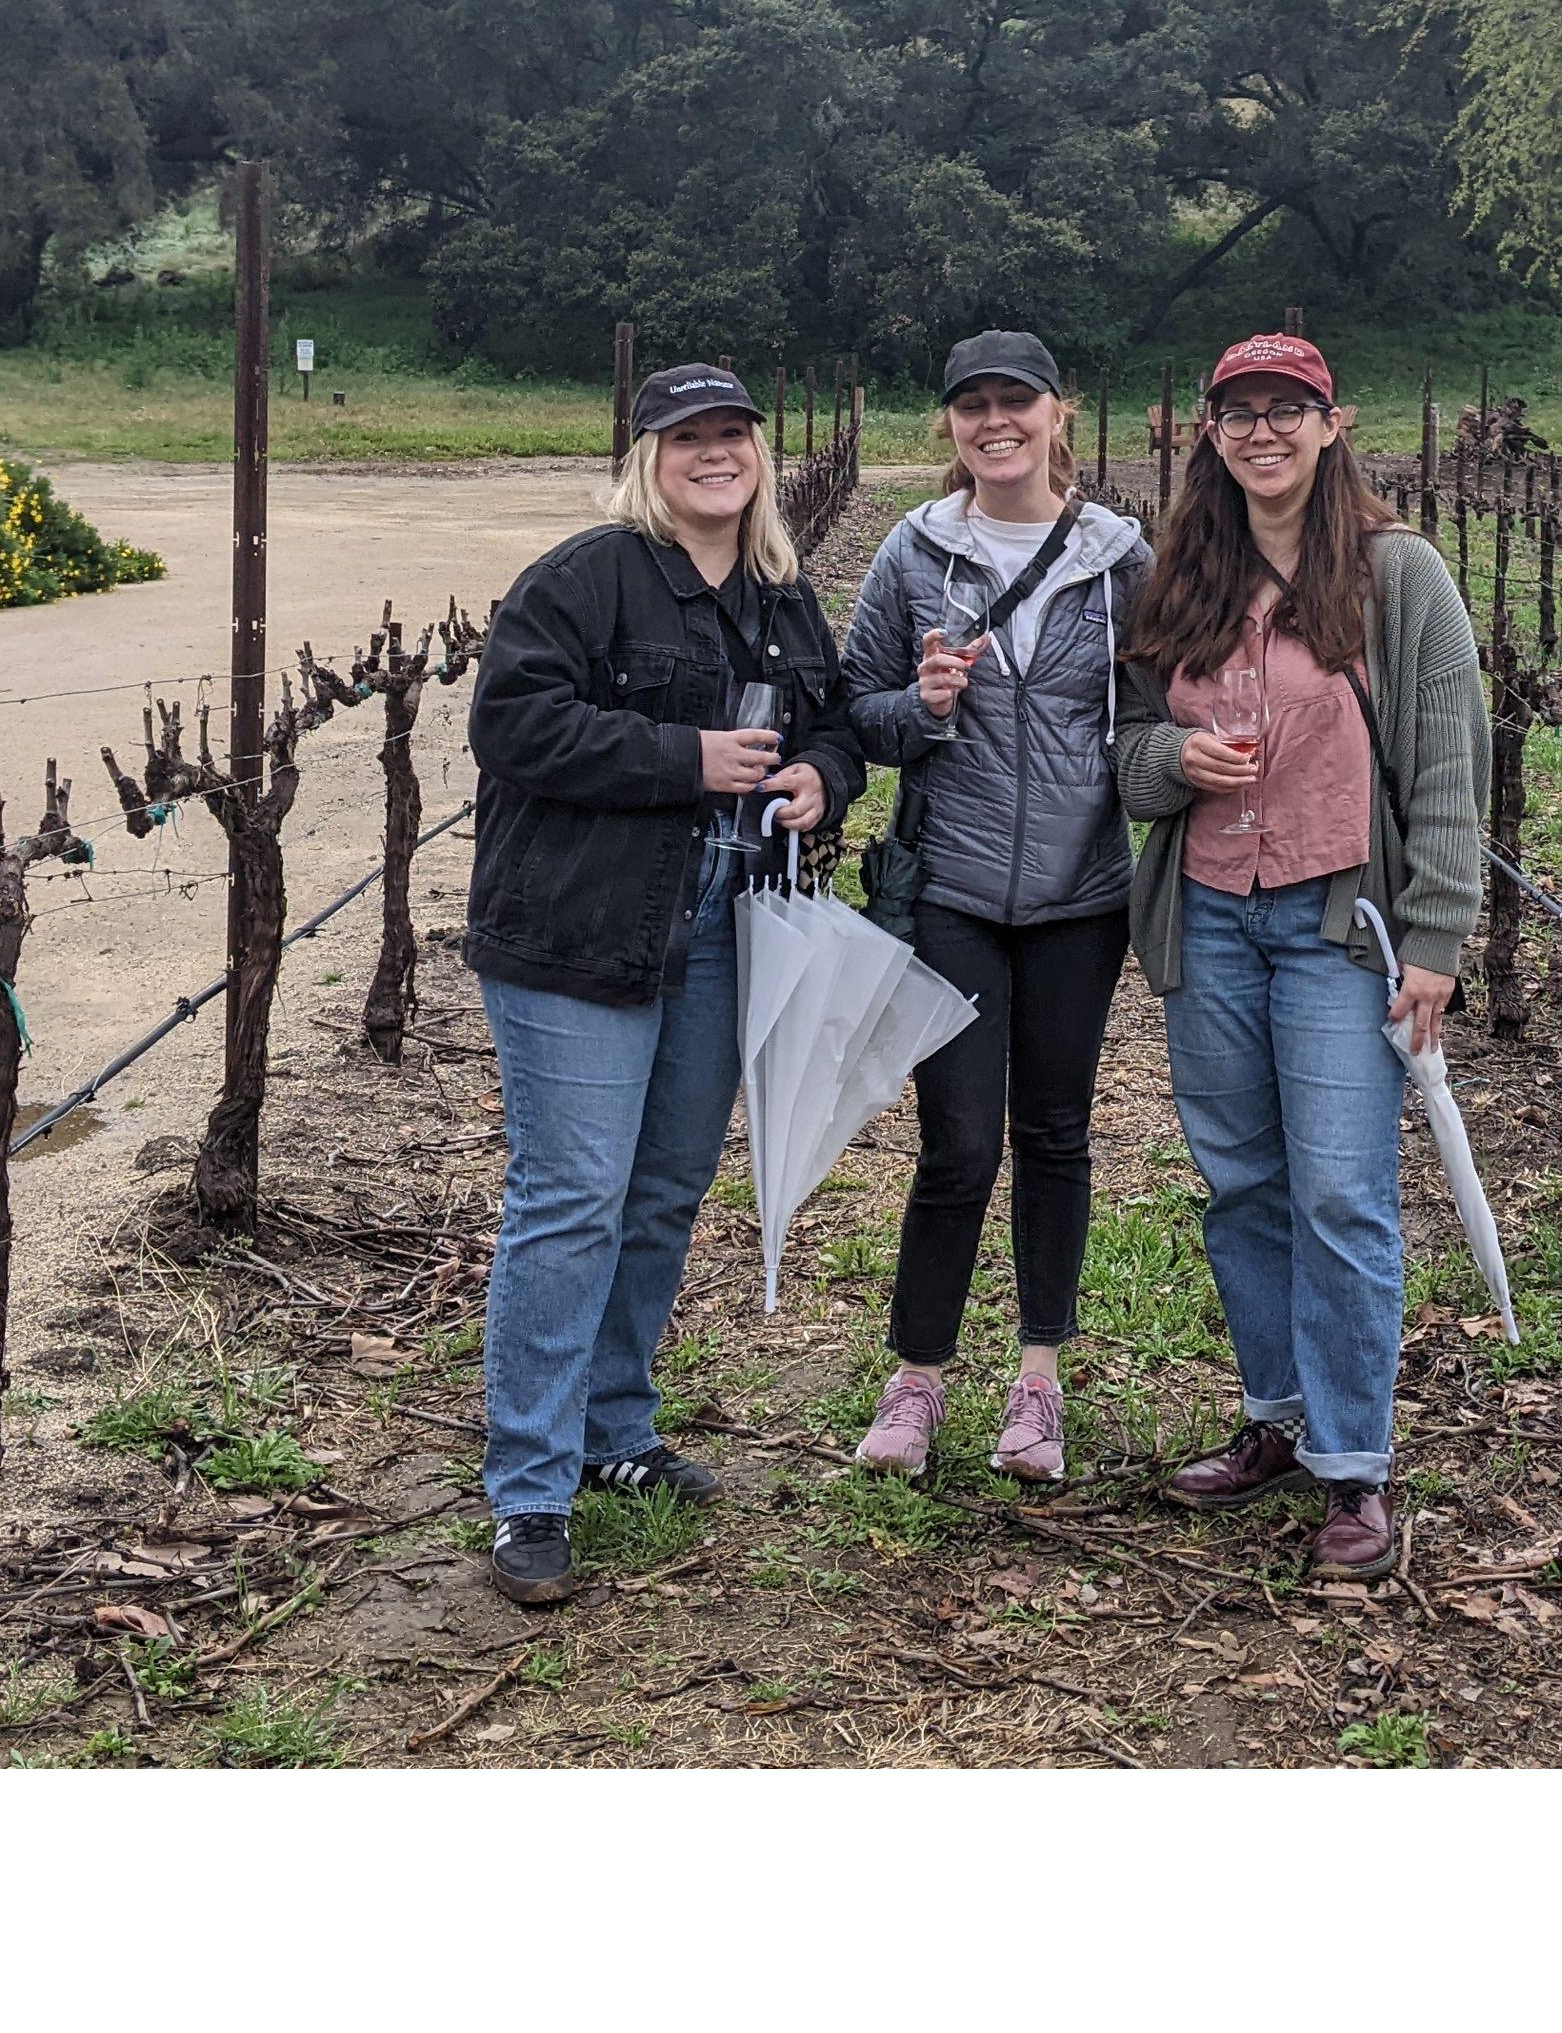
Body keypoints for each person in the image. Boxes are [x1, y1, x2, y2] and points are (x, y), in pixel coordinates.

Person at [461, 365, 863, 1608]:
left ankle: (612, 1431)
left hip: (721, 936)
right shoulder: (585, 580)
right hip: (580, 935)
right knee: (572, 1195)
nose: (714, 454)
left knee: (664, 1191)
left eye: (732, 434)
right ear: (649, 456)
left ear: (760, 450)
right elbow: (511, 728)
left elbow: (834, 723)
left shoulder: (785, 599)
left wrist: (823, 780)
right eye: (686, 436)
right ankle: (529, 1484)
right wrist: (681, 756)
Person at [1110, 328, 1486, 1580]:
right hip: (1212, 914)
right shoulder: (1182, 579)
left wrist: (1437, 935)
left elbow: (1446, 765)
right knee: (1244, 1184)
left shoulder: (1399, 575)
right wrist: (1176, 763)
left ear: (1334, 425)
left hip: (1340, 926)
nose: (1262, 431)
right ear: (1208, 433)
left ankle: (1353, 1467)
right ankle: (1274, 1419)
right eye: (1239, 411)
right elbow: (1126, 750)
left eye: (1288, 409)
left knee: (1340, 1192)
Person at [835, 329, 1153, 1485]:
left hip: (1081, 898)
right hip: (955, 892)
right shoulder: (914, 554)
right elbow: (852, 714)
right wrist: (917, 709)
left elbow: (1158, 713)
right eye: (971, 405)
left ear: (1057, 412)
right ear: (951, 427)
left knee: (1056, 1135)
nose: (993, 421)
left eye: (1014, 399)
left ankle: (1039, 1383)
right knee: (959, 1142)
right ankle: (916, 1380)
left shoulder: (1123, 561)